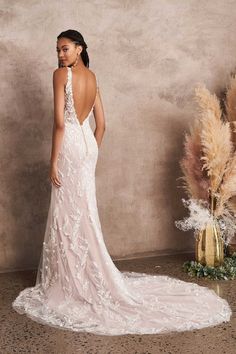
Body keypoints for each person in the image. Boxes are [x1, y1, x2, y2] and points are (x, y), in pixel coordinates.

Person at [12, 29, 232, 336]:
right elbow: (102, 125)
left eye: (65, 49)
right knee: (83, 210)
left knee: (67, 210)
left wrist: (53, 162)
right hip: (87, 145)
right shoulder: (93, 78)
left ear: (79, 48)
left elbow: (60, 123)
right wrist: (91, 152)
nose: (60, 55)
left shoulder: (61, 75)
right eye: (58, 50)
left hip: (71, 145)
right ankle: (79, 273)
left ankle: (68, 280)